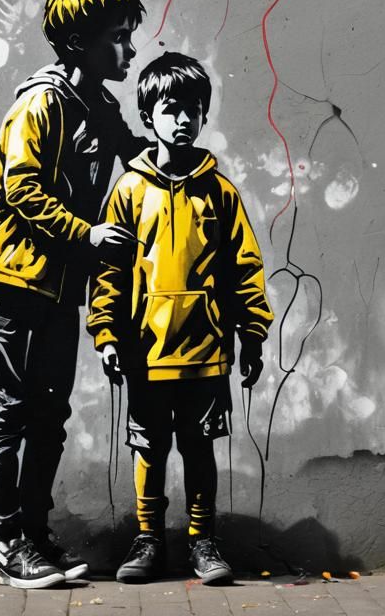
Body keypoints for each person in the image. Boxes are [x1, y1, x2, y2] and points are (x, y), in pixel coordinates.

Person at [0, 0, 147, 589]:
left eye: (130, 38)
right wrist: (91, 236)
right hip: (13, 277)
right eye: (118, 39)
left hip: (57, 286)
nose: (128, 52)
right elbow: (24, 191)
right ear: (77, 42)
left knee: (51, 414)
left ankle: (35, 536)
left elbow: (136, 155)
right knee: (11, 410)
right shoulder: (42, 103)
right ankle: (7, 545)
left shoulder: (102, 104)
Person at [87, 52, 273, 585]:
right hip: (146, 353)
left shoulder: (220, 192)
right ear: (149, 118)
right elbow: (110, 272)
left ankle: (202, 542)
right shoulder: (128, 191)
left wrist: (252, 334)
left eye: (193, 109)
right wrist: (106, 333)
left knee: (199, 448)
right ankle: (148, 542)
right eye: (171, 109)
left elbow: (245, 268)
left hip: (207, 354)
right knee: (149, 448)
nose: (183, 120)